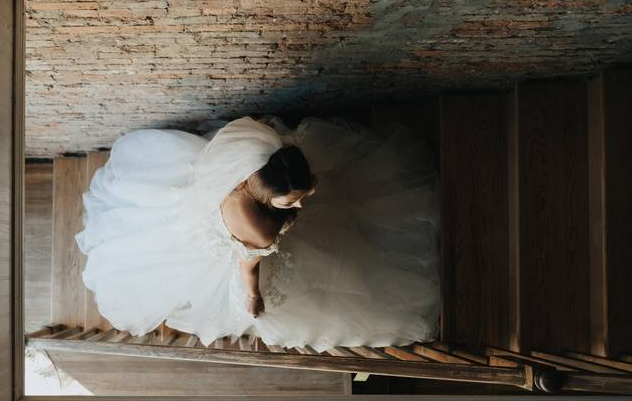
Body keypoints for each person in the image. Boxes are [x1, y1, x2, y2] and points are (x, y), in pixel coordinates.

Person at [75, 115, 439, 351]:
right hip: (231, 244)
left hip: (200, 201)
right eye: (289, 204)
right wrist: (251, 297)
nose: (299, 208)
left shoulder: (257, 158)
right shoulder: (258, 230)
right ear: (262, 195)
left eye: (300, 198)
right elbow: (248, 267)